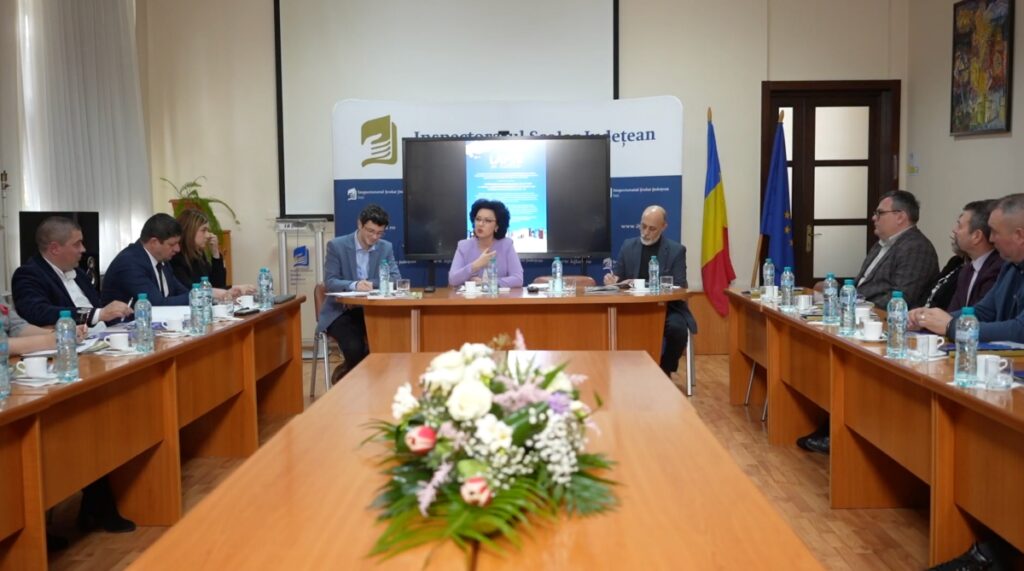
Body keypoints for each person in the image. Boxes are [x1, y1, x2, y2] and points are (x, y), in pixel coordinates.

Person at [1, 303, 133, 549]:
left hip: (12, 380)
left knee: (76, 414)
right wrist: (49, 340)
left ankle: (96, 502)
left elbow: (18, 328)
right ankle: (25, 528)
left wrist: (59, 333)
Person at [910, 193, 1024, 342]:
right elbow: (985, 311)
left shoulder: (1003, 264)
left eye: (995, 232)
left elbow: (1020, 331)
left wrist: (952, 327)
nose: (991, 238)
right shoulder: (1010, 266)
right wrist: (929, 319)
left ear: (1019, 236)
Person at [603, 205, 696, 377]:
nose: (645, 232)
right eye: (643, 226)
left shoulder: (676, 250)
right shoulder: (628, 246)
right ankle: (622, 371)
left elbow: (679, 285)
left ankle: (664, 370)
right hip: (631, 307)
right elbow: (618, 278)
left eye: (652, 229)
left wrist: (640, 284)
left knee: (678, 330)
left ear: (664, 227)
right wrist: (612, 281)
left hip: (667, 307)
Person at [317, 204, 401, 382]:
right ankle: (353, 381)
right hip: (342, 312)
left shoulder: (385, 247)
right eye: (370, 231)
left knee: (389, 341)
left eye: (380, 233)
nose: (375, 237)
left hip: (372, 310)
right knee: (354, 347)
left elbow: (395, 279)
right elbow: (330, 282)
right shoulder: (337, 246)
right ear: (359, 224)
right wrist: (355, 285)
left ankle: (370, 381)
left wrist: (370, 284)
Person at [12, 216, 133, 327]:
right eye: (77, 244)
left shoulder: (79, 273)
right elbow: (38, 312)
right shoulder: (28, 274)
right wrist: (96, 315)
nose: (83, 249)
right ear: (55, 249)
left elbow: (98, 307)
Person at [102, 213, 232, 306]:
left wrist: (213, 294)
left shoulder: (162, 260)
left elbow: (183, 292)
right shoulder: (130, 263)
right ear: (154, 242)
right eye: (172, 244)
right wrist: (206, 294)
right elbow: (156, 303)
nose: (177, 249)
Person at [853, 190, 939, 309]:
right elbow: (861, 284)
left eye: (880, 213)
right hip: (858, 310)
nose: (874, 218)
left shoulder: (916, 248)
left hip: (881, 316)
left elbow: (901, 298)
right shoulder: (881, 244)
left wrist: (860, 308)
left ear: (900, 217)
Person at [170, 208, 254, 295]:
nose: (208, 235)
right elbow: (191, 291)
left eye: (208, 230)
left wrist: (215, 253)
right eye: (203, 230)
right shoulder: (175, 258)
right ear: (190, 231)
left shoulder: (199, 254)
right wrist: (230, 290)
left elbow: (217, 285)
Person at [448, 199, 524, 288]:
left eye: (488, 220)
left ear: (497, 226)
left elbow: (518, 279)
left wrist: (487, 282)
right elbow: (452, 279)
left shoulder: (506, 245)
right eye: (478, 219)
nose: (480, 224)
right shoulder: (463, 246)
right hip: (470, 296)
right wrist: (476, 265)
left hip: (497, 296)